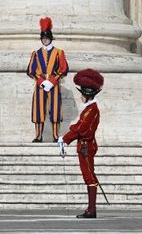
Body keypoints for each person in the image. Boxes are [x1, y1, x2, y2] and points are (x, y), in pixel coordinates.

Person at [58, 68, 104, 219]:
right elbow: (79, 126)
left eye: (82, 94)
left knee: (89, 177)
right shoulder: (89, 109)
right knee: (88, 176)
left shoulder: (92, 109)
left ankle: (91, 210)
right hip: (84, 146)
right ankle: (90, 208)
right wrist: (67, 138)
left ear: (87, 94)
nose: (81, 97)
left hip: (86, 146)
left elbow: (82, 129)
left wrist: (66, 139)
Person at [26, 17, 69, 142]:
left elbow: (64, 69)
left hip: (53, 85)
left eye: (47, 38)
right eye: (43, 38)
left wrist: (53, 81)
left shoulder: (58, 52)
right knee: (38, 110)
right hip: (40, 85)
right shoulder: (36, 53)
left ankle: (55, 136)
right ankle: (38, 136)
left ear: (50, 39)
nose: (45, 40)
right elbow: (30, 70)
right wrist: (41, 81)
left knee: (55, 109)